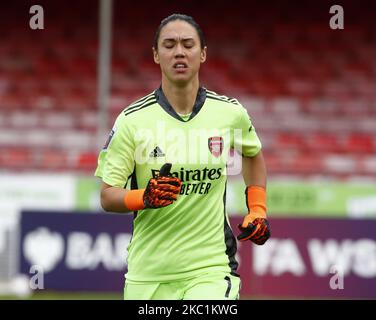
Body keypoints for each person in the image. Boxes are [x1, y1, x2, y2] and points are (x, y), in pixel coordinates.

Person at [95, 13, 270, 300]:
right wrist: (144, 197)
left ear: (202, 54)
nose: (179, 51)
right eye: (169, 44)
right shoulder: (131, 120)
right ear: (155, 55)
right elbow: (107, 196)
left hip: (211, 268)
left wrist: (258, 209)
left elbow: (252, 154)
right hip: (148, 273)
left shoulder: (230, 113)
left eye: (188, 44)